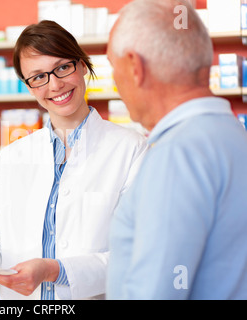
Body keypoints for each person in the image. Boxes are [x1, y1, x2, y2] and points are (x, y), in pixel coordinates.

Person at [0, 20, 147, 300]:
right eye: (38, 77)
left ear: (82, 65)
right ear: (29, 86)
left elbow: (138, 253)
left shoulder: (132, 149)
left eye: (63, 67)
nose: (55, 84)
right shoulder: (12, 157)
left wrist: (55, 270)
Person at [106, 0, 247, 299]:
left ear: (134, 66)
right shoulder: (233, 135)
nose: (115, 83)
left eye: (113, 67)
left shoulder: (176, 154)